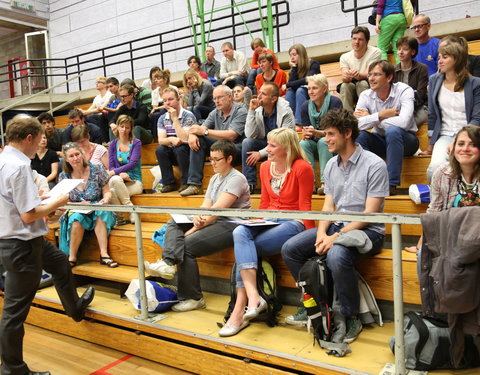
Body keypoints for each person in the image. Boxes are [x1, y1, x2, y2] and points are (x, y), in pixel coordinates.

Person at [281, 108, 389, 341]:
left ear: (347, 133)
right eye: (325, 134)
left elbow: (369, 215)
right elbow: (328, 208)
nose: (325, 139)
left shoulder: (375, 164)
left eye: (330, 134)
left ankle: (351, 317)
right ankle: (314, 302)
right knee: (291, 249)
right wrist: (321, 233)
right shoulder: (331, 165)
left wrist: (334, 237)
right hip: (337, 226)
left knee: (336, 255)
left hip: (369, 230)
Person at [0, 115, 94, 375]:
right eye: (39, 139)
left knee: (60, 262)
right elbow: (29, 215)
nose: (41, 144)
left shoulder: (4, 160)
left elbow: (14, 201)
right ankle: (12, 369)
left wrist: (39, 197)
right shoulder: (18, 166)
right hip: (21, 244)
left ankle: (74, 308)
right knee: (14, 313)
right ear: (29, 138)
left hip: (25, 240)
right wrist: (58, 200)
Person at [219, 128, 314, 337]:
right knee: (240, 233)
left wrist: (311, 240)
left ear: (286, 148)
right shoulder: (264, 168)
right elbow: (264, 203)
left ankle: (238, 311)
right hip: (269, 219)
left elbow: (305, 206)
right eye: (267, 144)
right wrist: (256, 223)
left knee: (244, 249)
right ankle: (253, 298)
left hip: (293, 221)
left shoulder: (302, 168)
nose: (266, 149)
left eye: (272, 145)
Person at [144, 140, 251, 311]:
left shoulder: (237, 178)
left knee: (186, 246)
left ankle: (194, 298)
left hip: (232, 224)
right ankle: (167, 262)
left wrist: (194, 229)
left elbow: (217, 211)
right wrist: (196, 218)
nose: (212, 163)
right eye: (211, 159)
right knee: (175, 220)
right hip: (212, 219)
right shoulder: (216, 178)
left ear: (229, 159)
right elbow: (206, 205)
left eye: (217, 159)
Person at [405, 125, 480, 253]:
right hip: (451, 240)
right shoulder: (442, 173)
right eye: (461, 144)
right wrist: (420, 246)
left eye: (473, 144)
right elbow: (434, 211)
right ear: (453, 147)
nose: (465, 149)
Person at [355, 60, 418, 195]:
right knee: (359, 136)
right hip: (381, 140)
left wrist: (373, 119)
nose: (371, 78)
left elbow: (404, 122)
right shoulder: (365, 95)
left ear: (389, 78)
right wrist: (380, 115)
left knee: (393, 130)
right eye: (370, 74)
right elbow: (356, 125)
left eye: (377, 74)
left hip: (407, 140)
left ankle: (391, 184)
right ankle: (365, 181)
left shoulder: (404, 90)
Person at [426, 41, 480, 181]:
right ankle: (442, 202)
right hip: (445, 134)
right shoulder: (434, 80)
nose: (440, 61)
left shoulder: (475, 83)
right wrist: (431, 144)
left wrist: (458, 140)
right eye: (439, 57)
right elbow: (432, 114)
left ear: (457, 59)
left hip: (471, 134)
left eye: (445, 57)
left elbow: (477, 117)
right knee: (434, 170)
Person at [181, 85, 247, 196]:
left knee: (203, 136)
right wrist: (193, 134)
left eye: (220, 97)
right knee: (199, 140)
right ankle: (195, 184)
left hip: (235, 149)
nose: (216, 101)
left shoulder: (241, 111)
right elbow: (201, 129)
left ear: (230, 97)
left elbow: (232, 135)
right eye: (214, 98)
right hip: (219, 147)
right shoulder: (215, 112)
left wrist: (205, 132)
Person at [58, 142, 117, 268]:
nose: (75, 158)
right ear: (67, 160)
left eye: (77, 154)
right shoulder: (64, 176)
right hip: (77, 209)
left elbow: (107, 191)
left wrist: (105, 200)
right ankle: (72, 257)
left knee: (102, 212)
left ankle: (104, 254)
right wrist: (78, 205)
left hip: (97, 205)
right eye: (71, 156)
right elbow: (62, 201)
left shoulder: (97, 169)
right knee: (75, 219)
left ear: (82, 154)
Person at [242, 82, 295, 193]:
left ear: (273, 99)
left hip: (284, 146)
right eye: (259, 92)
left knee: (279, 143)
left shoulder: (286, 111)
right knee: (247, 142)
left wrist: (260, 153)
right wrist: (251, 111)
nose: (258, 96)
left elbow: (284, 140)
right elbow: (249, 134)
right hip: (266, 144)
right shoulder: (258, 109)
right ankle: (250, 184)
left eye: (263, 94)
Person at [299, 74, 343, 194]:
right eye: (309, 88)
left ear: (324, 89)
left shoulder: (335, 102)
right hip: (316, 141)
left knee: (324, 142)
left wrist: (316, 132)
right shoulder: (305, 106)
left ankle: (325, 183)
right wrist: (307, 133)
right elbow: (306, 130)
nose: (311, 92)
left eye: (314, 88)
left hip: (336, 143)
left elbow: (336, 132)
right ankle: (309, 183)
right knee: (303, 143)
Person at [155, 88, 197, 193]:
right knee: (160, 150)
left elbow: (184, 138)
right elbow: (161, 140)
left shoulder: (188, 115)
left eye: (170, 99)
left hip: (187, 151)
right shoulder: (162, 118)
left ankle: (186, 181)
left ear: (178, 99)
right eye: (165, 101)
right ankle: (169, 183)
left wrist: (175, 119)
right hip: (172, 150)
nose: (167, 103)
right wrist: (171, 139)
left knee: (180, 148)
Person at [108, 115, 143, 225]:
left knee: (114, 181)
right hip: (120, 180)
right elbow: (111, 165)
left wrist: (116, 172)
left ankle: (122, 215)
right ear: (117, 127)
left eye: (127, 127)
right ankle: (129, 211)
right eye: (121, 126)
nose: (124, 130)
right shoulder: (113, 144)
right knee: (114, 185)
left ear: (131, 129)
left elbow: (132, 164)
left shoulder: (136, 143)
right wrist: (119, 174)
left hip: (135, 181)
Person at [339, 26, 382, 112]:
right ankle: (348, 119)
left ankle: (366, 114)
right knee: (345, 86)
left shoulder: (376, 52)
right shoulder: (344, 57)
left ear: (367, 41)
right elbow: (344, 77)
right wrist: (347, 76)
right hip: (352, 90)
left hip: (370, 87)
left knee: (362, 83)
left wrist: (357, 75)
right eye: (354, 39)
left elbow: (368, 74)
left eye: (360, 39)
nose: (356, 42)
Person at [393, 36, 429, 125]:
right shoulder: (393, 70)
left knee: (405, 124)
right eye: (399, 49)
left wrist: (407, 106)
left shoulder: (422, 68)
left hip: (418, 107)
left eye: (405, 49)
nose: (400, 52)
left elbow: (421, 95)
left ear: (412, 52)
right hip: (399, 108)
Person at [283, 43, 321, 125]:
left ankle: (299, 123)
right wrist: (294, 68)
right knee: (290, 92)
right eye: (290, 55)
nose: (292, 58)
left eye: (294, 55)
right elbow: (291, 85)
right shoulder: (295, 68)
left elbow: (308, 80)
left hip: (314, 93)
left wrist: (288, 85)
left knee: (300, 90)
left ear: (301, 54)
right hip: (301, 93)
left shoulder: (314, 64)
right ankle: (288, 123)